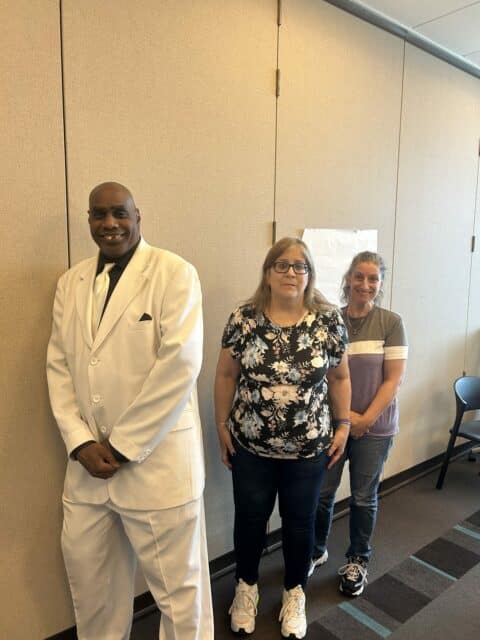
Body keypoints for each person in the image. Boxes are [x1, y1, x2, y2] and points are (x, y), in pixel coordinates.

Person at [46, 182, 213, 640]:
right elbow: (59, 366)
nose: (109, 224)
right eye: (98, 215)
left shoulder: (174, 273)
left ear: (139, 216)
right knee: (91, 588)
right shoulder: (71, 282)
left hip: (155, 462)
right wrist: (80, 442)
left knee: (181, 597)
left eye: (119, 213)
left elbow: (180, 365)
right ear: (89, 221)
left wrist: (120, 446)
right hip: (87, 468)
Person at [214, 237, 351, 639]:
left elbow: (340, 377)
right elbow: (225, 375)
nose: (291, 273)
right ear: (268, 271)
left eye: (300, 266)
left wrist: (343, 425)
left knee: (299, 523)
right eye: (282, 265)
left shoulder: (328, 320)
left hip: (309, 449)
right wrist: (222, 427)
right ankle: (246, 588)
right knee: (250, 519)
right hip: (251, 448)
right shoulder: (244, 318)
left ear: (309, 275)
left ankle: (295, 592)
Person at [311, 251, 408, 597]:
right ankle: (317, 550)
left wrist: (364, 420)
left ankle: (357, 560)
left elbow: (392, 380)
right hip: (335, 426)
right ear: (348, 279)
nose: (365, 284)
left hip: (374, 429)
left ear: (379, 284)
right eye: (359, 277)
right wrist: (344, 419)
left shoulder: (390, 323)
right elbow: (322, 375)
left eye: (373, 279)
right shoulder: (330, 320)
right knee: (322, 494)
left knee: (364, 498)